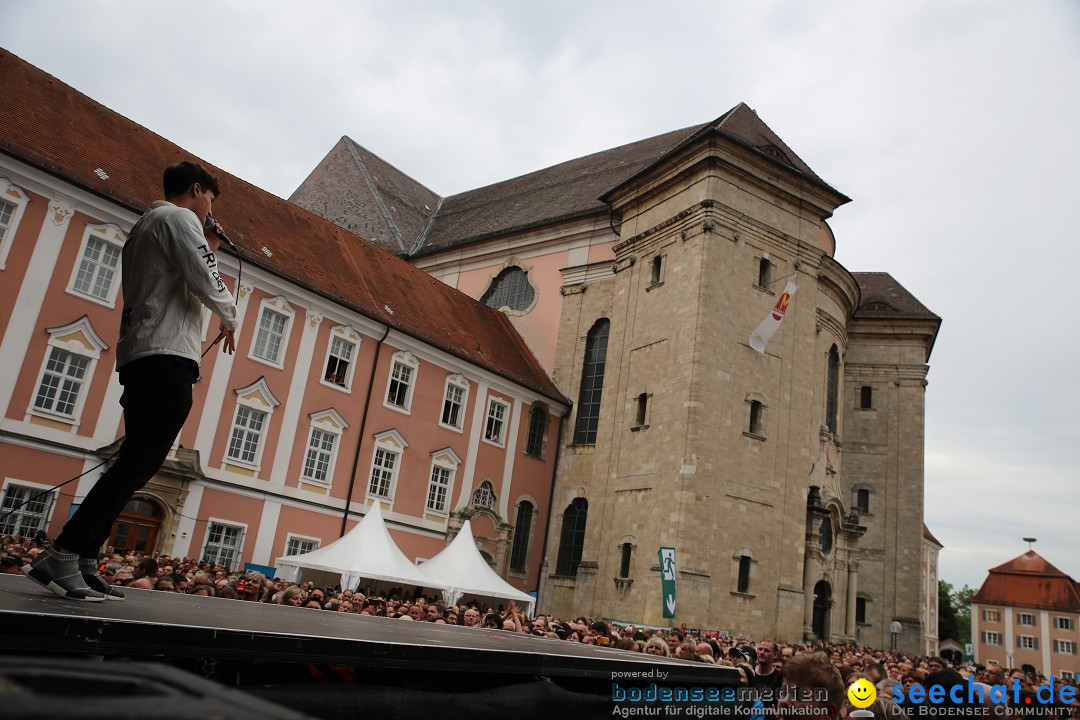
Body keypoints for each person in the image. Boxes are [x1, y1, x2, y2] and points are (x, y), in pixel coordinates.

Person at [22, 161, 239, 601]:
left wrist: (208, 244)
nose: (208, 211)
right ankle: (63, 551)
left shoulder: (147, 225)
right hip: (165, 355)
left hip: (140, 353)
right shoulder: (179, 218)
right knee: (137, 464)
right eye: (209, 202)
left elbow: (182, 275)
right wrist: (230, 314)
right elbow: (204, 277)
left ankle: (83, 558)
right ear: (196, 190)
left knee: (134, 464)